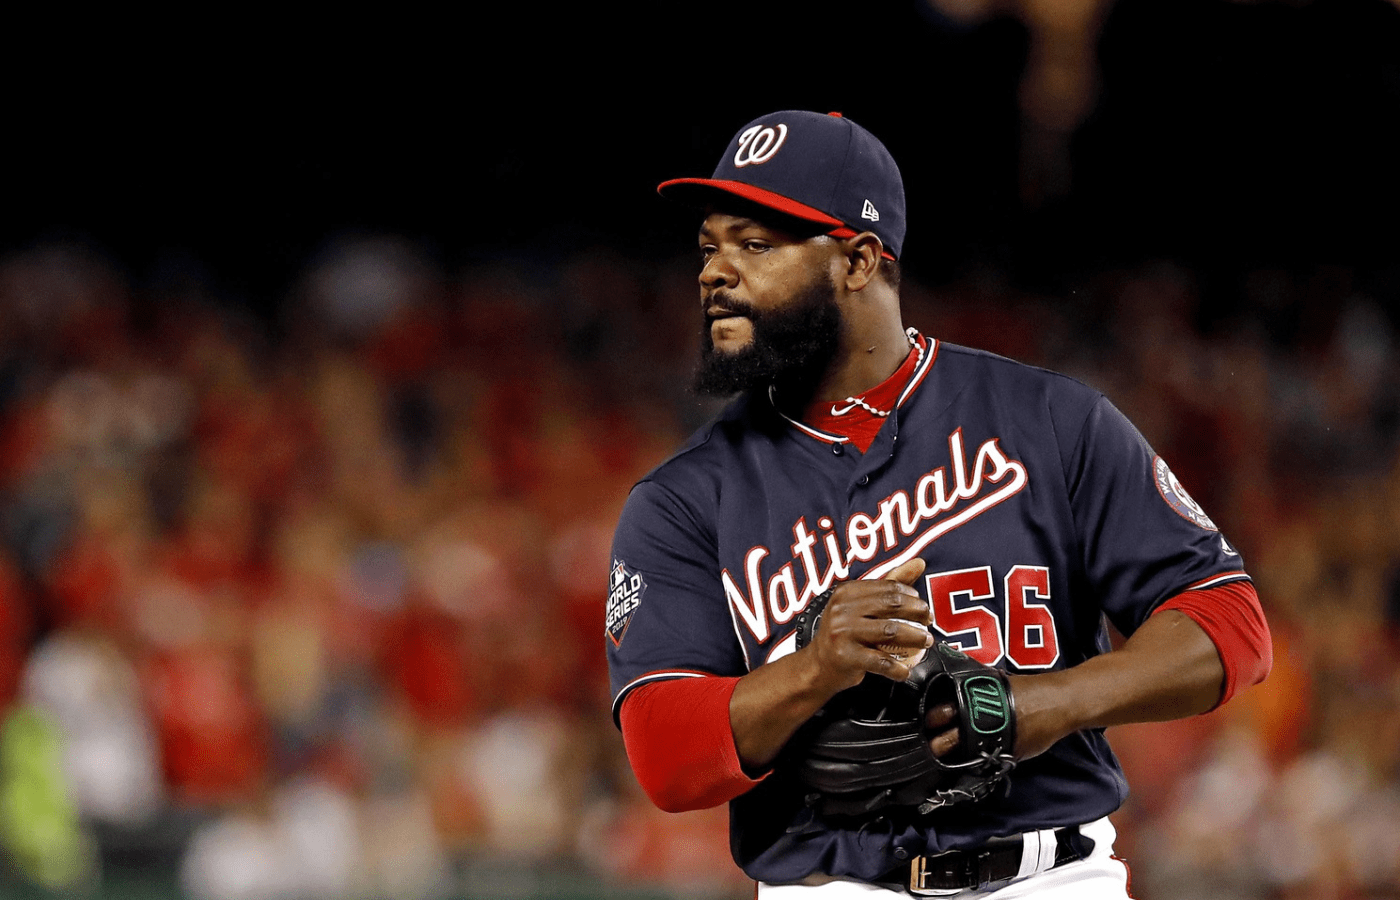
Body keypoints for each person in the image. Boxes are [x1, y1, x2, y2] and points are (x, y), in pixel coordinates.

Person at [605, 110, 1271, 898]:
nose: (715, 273)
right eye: (710, 247)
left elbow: (1232, 625)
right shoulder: (683, 500)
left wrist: (1051, 702)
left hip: (1047, 875)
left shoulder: (1049, 421)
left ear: (857, 261)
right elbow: (663, 756)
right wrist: (812, 672)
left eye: (755, 245)